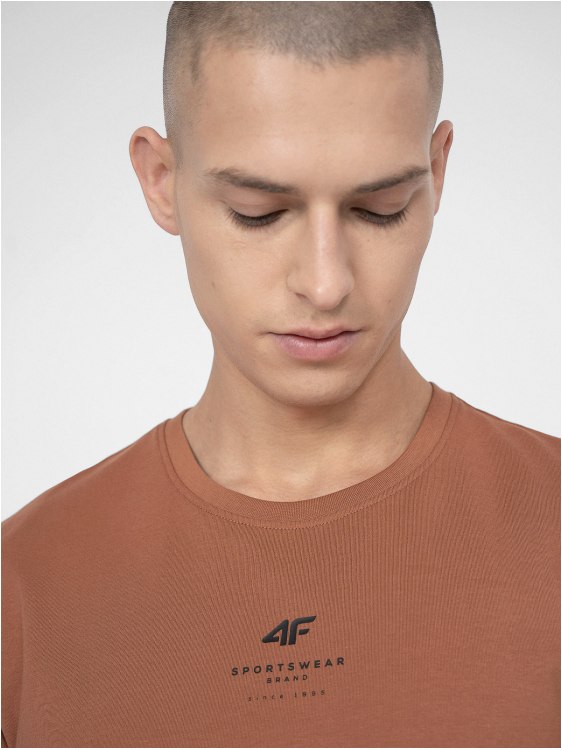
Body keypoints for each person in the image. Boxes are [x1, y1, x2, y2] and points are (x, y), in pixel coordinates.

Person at [2, 2, 559, 747]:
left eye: (380, 209)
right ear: (160, 180)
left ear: (436, 172)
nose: (325, 285)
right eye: (258, 212)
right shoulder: (24, 587)